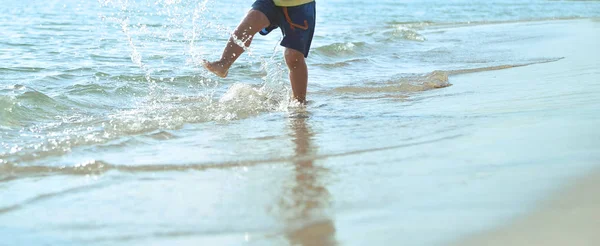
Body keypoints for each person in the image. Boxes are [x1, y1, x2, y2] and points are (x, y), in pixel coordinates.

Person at [203, 0, 316, 103]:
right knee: (250, 21)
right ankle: (224, 64)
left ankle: (299, 103)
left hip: (301, 6)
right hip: (270, 2)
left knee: (293, 57)